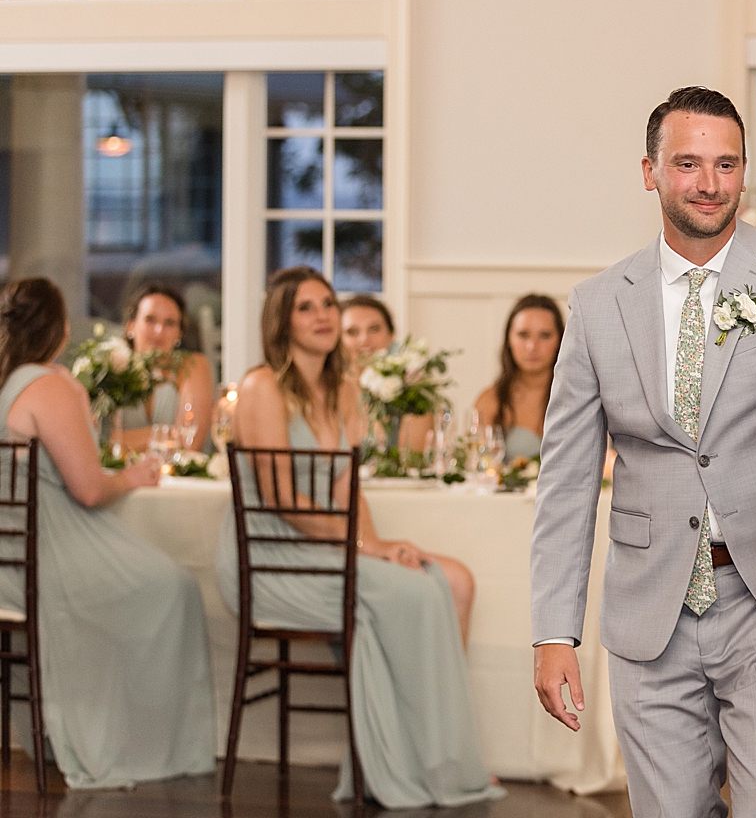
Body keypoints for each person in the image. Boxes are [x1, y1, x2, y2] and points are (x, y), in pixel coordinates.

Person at [531, 86, 756, 818]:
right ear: (649, 171)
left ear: (745, 172)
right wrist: (553, 632)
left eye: (726, 164)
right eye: (688, 164)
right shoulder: (598, 304)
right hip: (648, 606)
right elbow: (565, 481)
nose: (709, 183)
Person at [217, 266, 499, 808]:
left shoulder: (343, 389)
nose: (324, 315)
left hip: (327, 550)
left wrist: (376, 547)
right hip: (272, 559)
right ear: (281, 319)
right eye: (306, 307)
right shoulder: (261, 387)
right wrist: (368, 549)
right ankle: (406, 766)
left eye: (328, 303)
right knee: (415, 591)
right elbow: (280, 501)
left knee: (444, 579)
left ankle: (428, 758)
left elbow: (350, 493)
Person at [0, 277, 215, 788]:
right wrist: (135, 476)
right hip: (49, 549)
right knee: (176, 588)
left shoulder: (8, 380)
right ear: (60, 328)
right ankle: (141, 740)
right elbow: (90, 490)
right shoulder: (48, 383)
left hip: (10, 552)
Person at [114, 283, 215, 454]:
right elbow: (99, 444)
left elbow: (190, 443)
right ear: (131, 326)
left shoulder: (193, 365)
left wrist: (125, 440)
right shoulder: (113, 369)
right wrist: (166, 435)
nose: (159, 331)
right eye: (150, 320)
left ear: (179, 334)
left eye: (169, 323)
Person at [472, 294, 564, 461]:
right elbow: (475, 464)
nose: (532, 346)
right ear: (509, 340)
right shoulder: (491, 400)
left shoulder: (576, 399)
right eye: (523, 335)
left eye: (544, 335)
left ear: (560, 341)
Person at [339, 294, 431, 452]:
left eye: (374, 329)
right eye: (352, 332)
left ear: (391, 334)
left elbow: (414, 457)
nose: (364, 339)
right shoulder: (326, 389)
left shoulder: (412, 392)